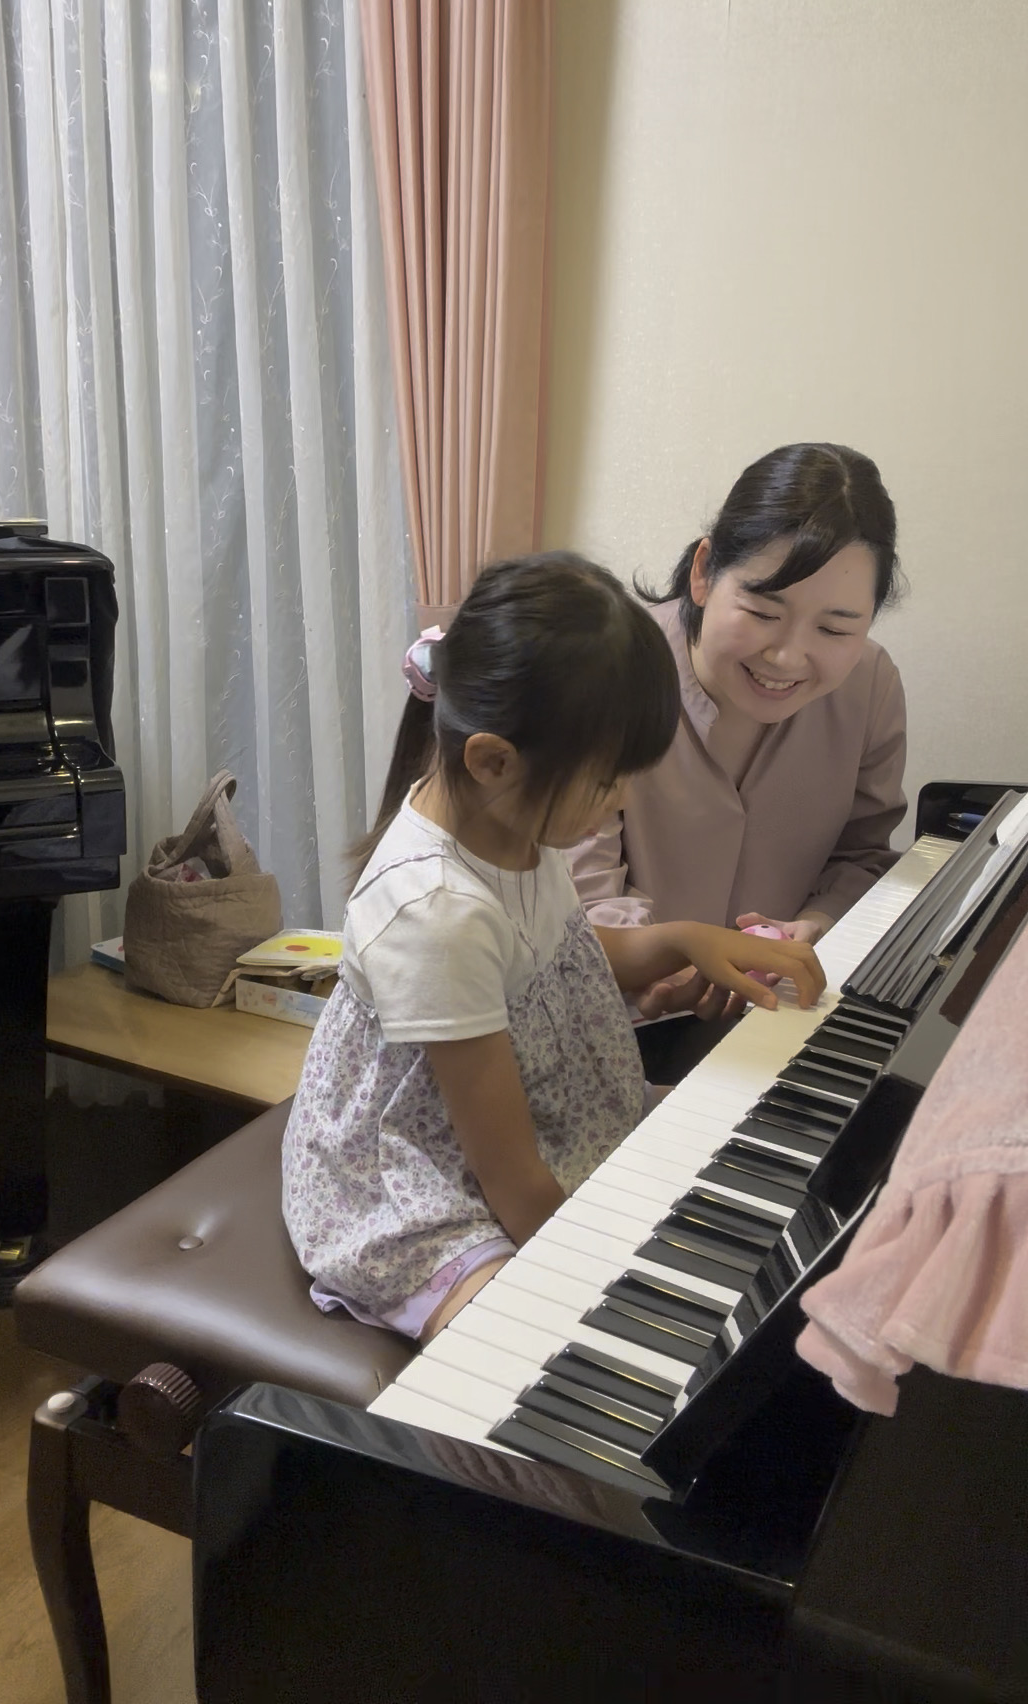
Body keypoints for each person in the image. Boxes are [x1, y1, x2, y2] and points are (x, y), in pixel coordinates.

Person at [282, 552, 824, 1344]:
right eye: (607, 783)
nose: (622, 799)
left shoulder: (509, 820)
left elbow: (556, 955)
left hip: (524, 1113)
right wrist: (608, 1283)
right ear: (493, 761)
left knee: (730, 1149)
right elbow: (509, 1177)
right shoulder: (436, 914)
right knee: (515, 1337)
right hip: (410, 1175)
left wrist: (682, 941)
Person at [568, 442, 906, 1082]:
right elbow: (575, 901)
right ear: (703, 572)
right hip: (605, 1029)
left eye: (836, 629)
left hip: (777, 1022)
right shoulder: (607, 675)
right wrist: (665, 962)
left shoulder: (870, 686)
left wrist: (814, 925)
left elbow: (863, 854)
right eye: (762, 611)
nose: (787, 658)